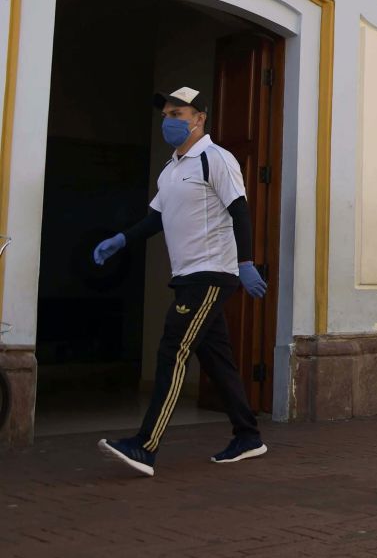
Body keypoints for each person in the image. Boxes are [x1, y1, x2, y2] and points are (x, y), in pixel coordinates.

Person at [91, 87, 268, 477]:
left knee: (173, 349)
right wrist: (122, 240)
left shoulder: (215, 159)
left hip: (210, 273)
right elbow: (155, 218)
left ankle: (145, 446)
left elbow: (239, 210)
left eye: (178, 113)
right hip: (186, 273)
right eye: (167, 114)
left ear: (200, 118)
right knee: (216, 358)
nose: (169, 120)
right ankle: (248, 435)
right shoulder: (171, 169)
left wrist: (246, 263)